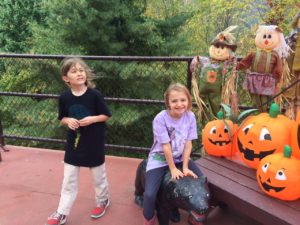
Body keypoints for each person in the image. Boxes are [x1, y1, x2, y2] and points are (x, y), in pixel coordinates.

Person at [45, 57, 112, 225]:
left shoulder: (95, 95)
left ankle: (103, 200)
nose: (79, 73)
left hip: (94, 142)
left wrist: (92, 119)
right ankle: (62, 212)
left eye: (81, 70)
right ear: (66, 78)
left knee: (98, 177)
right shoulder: (64, 97)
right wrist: (68, 121)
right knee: (69, 179)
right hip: (73, 142)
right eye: (74, 71)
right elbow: (62, 117)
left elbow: (106, 115)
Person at [143, 83, 205, 225]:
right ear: (168, 103)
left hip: (180, 157)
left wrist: (184, 167)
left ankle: (196, 213)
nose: (179, 104)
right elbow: (165, 146)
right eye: (174, 101)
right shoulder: (160, 119)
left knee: (202, 180)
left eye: (183, 100)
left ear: (188, 101)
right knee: (150, 194)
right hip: (160, 158)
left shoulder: (190, 116)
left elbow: (188, 143)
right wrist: (172, 169)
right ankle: (149, 218)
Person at [285, 11, 300, 119]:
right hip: (291, 71)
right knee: (290, 95)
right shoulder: (292, 35)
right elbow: (283, 48)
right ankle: (290, 120)